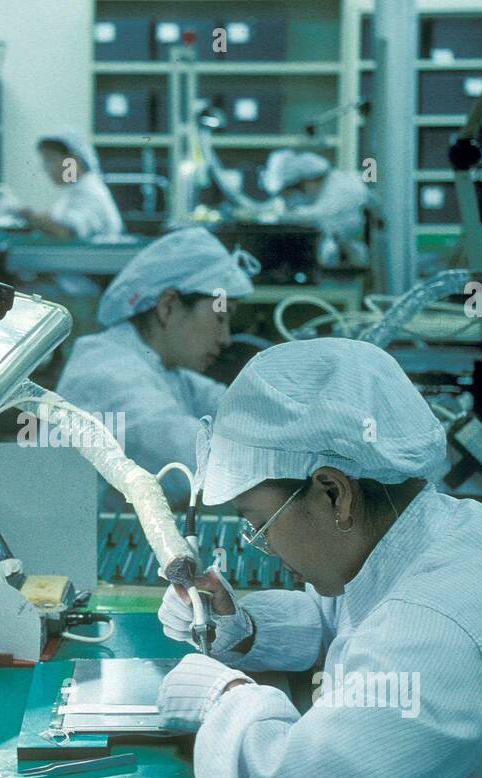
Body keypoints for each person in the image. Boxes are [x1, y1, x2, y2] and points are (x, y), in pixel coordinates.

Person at [154, 338, 482, 778]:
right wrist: (245, 626)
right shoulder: (452, 527)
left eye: (259, 525)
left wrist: (223, 696)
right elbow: (349, 615)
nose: (264, 546)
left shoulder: (433, 626)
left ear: (332, 493)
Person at [55, 227, 256, 507]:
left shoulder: (165, 369)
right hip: (87, 543)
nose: (225, 339)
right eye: (220, 317)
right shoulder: (107, 372)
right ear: (168, 306)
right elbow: (193, 458)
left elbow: (235, 407)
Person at [260, 149, 371, 267]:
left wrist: (279, 215)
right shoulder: (328, 186)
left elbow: (318, 215)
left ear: (308, 180)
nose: (296, 198)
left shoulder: (344, 189)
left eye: (292, 191)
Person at [19, 130, 124, 241]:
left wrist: (23, 212)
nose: (45, 168)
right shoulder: (75, 190)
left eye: (50, 160)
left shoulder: (89, 192)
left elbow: (65, 232)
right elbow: (53, 217)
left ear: (73, 161)